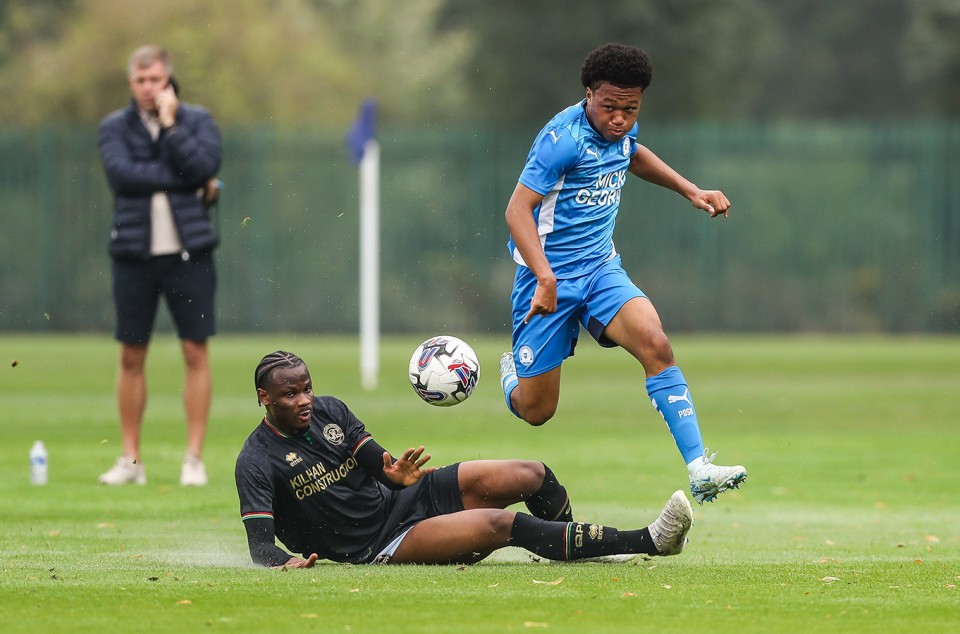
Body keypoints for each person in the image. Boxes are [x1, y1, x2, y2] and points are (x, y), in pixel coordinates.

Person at [498, 43, 746, 504]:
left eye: (630, 109)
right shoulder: (562, 140)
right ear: (589, 94)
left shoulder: (622, 131)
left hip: (600, 270)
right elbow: (517, 211)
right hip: (545, 280)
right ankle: (512, 375)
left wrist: (690, 190)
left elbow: (632, 154)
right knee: (537, 411)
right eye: (609, 107)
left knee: (656, 344)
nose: (619, 119)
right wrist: (546, 278)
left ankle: (699, 467)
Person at [235, 351, 694, 567]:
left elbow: (383, 468)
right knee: (501, 526)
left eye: (307, 388)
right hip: (378, 544)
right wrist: (282, 563)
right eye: (290, 394)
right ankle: (649, 541)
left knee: (532, 474)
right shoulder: (255, 460)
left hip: (405, 500)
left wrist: (397, 475)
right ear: (264, 398)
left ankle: (571, 553)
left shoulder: (330, 410)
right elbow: (259, 546)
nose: (304, 400)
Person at [97, 45, 222, 486]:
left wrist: (170, 127)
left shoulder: (196, 121)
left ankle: (193, 459)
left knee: (195, 350)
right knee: (131, 354)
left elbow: (207, 164)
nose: (149, 87)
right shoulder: (113, 127)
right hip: (133, 257)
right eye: (141, 80)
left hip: (191, 256)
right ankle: (131, 460)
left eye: (156, 80)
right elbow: (121, 176)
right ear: (132, 82)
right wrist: (188, 180)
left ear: (168, 79)